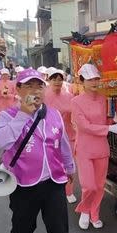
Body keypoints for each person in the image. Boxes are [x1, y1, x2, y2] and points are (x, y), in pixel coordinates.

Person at [0, 68, 75, 233]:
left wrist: (70, 168)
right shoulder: (8, 115)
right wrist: (23, 115)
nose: (34, 91)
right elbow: (1, 140)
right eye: (28, 86)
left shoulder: (54, 115)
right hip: (23, 184)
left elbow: (63, 144)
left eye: (38, 86)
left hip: (53, 183)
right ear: (18, 90)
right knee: (22, 228)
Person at [71, 64, 117, 229]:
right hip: (85, 149)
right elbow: (84, 126)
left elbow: (107, 120)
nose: (94, 82)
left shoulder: (104, 99)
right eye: (90, 79)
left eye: (96, 78)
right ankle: (85, 210)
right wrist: (108, 128)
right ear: (82, 81)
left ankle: (94, 213)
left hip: (101, 148)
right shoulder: (76, 102)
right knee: (89, 185)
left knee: (99, 185)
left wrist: (114, 120)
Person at [44, 68, 77, 203]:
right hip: (49, 136)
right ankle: (53, 190)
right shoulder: (44, 95)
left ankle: (69, 191)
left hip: (69, 135)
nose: (57, 82)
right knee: (53, 164)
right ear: (49, 80)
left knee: (68, 163)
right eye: (54, 79)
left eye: (60, 79)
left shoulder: (69, 96)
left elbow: (75, 114)